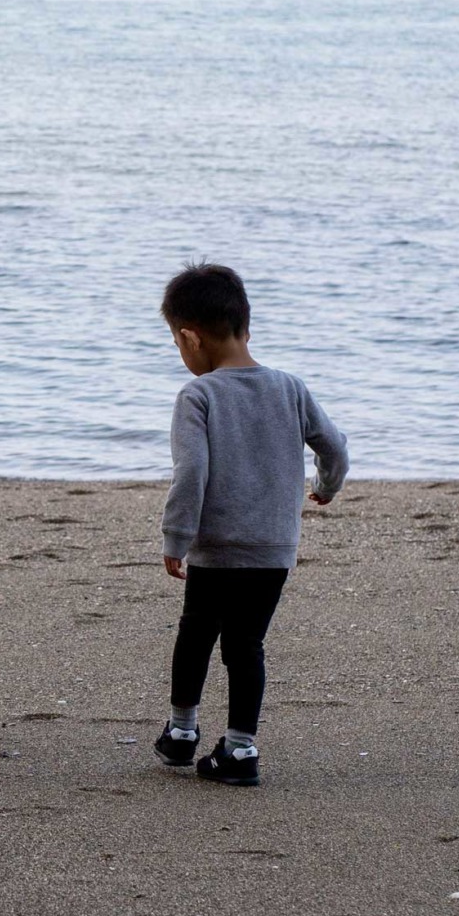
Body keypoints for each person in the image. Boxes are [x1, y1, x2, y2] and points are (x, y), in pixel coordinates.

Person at [153, 264, 348, 787]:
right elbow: (334, 445)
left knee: (196, 636)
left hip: (217, 549)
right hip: (273, 548)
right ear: (246, 327)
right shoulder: (290, 387)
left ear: (190, 337)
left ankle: (183, 731)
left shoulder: (199, 396)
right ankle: (240, 750)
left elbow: (191, 472)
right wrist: (326, 486)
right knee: (246, 645)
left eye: (177, 342)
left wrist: (177, 537)